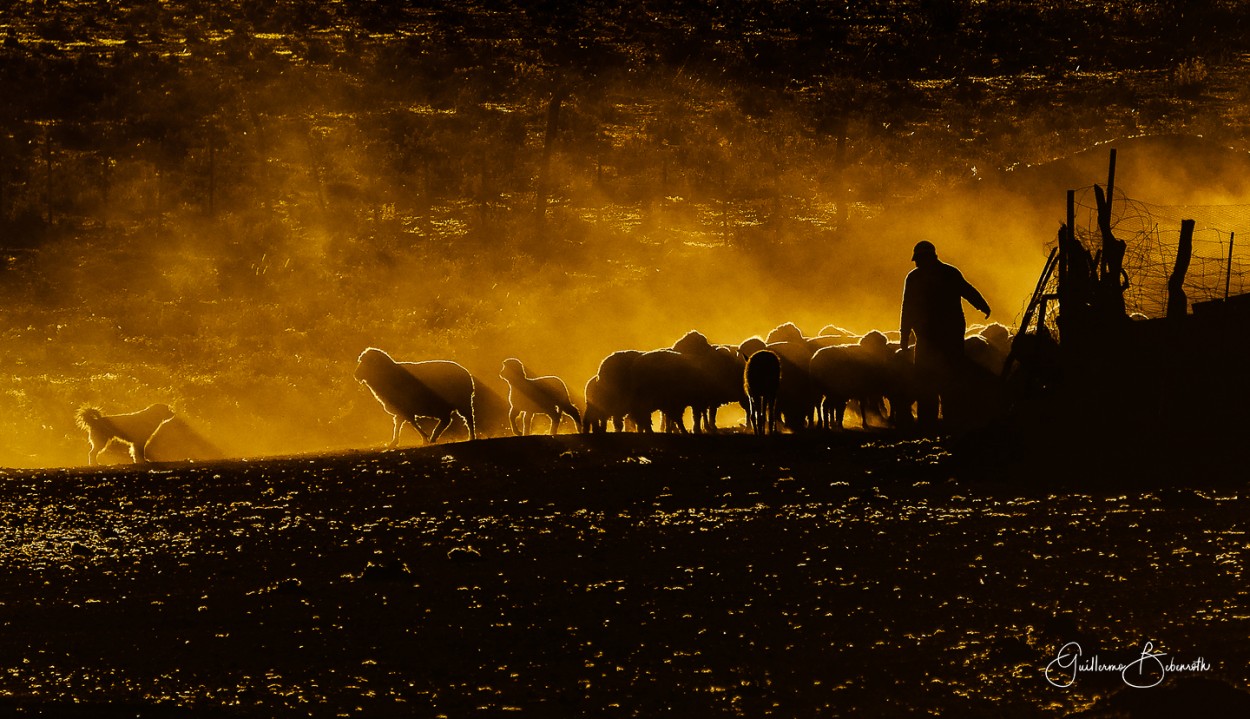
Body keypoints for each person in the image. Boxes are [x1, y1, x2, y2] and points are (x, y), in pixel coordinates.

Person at [900, 240, 991, 429]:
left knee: (936, 379)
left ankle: (939, 422)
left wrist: (981, 304)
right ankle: (941, 422)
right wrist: (904, 335)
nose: (917, 263)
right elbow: (908, 307)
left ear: (928, 257)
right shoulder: (945, 273)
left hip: (936, 337)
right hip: (940, 337)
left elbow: (907, 307)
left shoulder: (920, 277)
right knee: (940, 378)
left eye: (919, 259)